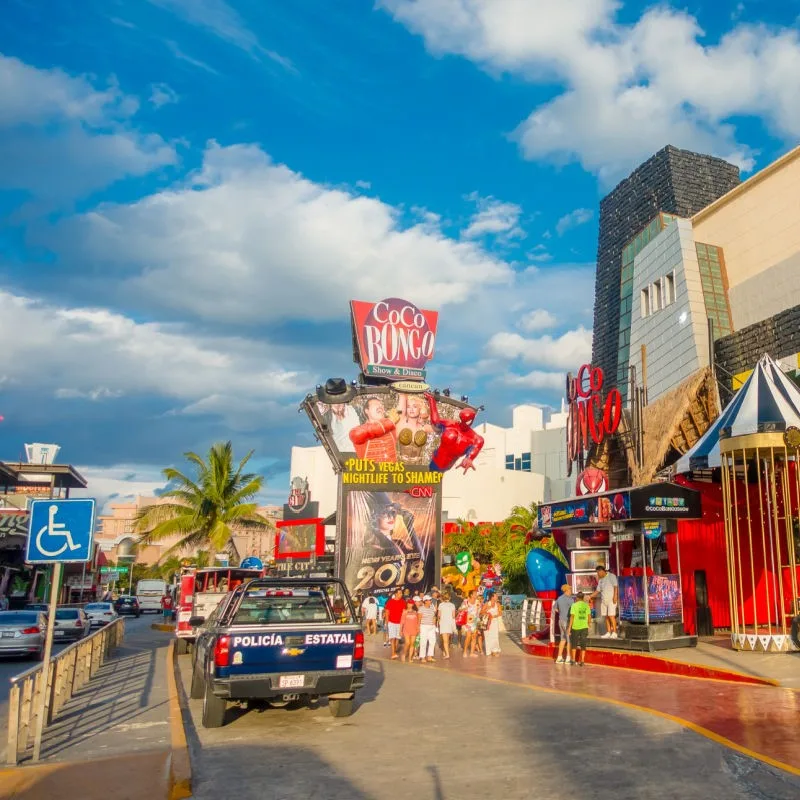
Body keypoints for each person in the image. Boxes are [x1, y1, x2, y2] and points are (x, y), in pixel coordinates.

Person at [591, 565, 619, 639]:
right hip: (604, 601)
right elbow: (597, 591)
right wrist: (590, 596)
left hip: (611, 600)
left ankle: (615, 632)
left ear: (602, 571)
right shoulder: (600, 580)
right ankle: (608, 632)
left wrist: (615, 596)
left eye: (598, 573)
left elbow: (615, 586)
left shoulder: (612, 576)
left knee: (611, 616)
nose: (598, 574)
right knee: (606, 616)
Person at [568, 592, 591, 667]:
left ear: (577, 598)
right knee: (583, 644)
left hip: (575, 627)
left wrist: (569, 628)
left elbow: (572, 617)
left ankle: (573, 660)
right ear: (583, 598)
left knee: (574, 644)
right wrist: (589, 623)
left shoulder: (574, 605)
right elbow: (589, 616)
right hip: (584, 627)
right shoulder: (586, 605)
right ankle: (582, 661)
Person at [554, 584, 575, 664]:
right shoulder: (571, 600)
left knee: (563, 639)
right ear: (567, 590)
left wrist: (561, 612)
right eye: (570, 589)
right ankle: (568, 658)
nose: (571, 591)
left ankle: (559, 657)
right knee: (569, 639)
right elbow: (573, 612)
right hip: (567, 621)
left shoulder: (559, 598)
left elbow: (555, 609)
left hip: (561, 620)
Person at [384, 588, 406, 660]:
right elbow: (387, 613)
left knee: (397, 638)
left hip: (399, 623)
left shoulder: (403, 602)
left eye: (401, 593)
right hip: (391, 622)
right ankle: (393, 653)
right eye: (399, 593)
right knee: (392, 638)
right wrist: (387, 622)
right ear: (396, 594)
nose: (401, 594)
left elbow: (404, 613)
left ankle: (395, 651)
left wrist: (404, 623)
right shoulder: (390, 602)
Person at [437, 591, 457, 659]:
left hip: (443, 623)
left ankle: (447, 654)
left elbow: (439, 615)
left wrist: (438, 623)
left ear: (443, 597)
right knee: (447, 639)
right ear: (450, 598)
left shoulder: (441, 605)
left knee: (444, 640)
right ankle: (445, 651)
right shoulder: (452, 605)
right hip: (450, 623)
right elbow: (453, 616)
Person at [482, 592, 503, 657]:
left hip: (494, 622)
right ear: (492, 597)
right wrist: (488, 612)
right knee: (488, 636)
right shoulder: (486, 604)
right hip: (487, 622)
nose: (497, 597)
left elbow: (500, 613)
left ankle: (494, 650)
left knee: (495, 636)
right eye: (496, 596)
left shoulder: (498, 604)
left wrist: (494, 616)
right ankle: (489, 651)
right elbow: (481, 612)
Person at [418, 595, 438, 662]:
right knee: (423, 642)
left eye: (430, 600)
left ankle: (430, 656)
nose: (430, 601)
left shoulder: (432, 608)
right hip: (423, 626)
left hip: (431, 627)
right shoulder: (421, 608)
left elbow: (434, 617)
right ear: (425, 601)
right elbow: (419, 619)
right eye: (428, 600)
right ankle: (422, 657)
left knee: (432, 641)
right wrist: (418, 628)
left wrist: (434, 625)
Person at [400, 598, 420, 662]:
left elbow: (417, 621)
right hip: (406, 629)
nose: (410, 605)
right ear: (407, 604)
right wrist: (400, 630)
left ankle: (410, 658)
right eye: (409, 603)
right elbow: (402, 622)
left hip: (414, 629)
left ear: (413, 604)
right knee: (407, 643)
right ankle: (404, 654)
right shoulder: (404, 611)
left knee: (412, 643)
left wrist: (418, 629)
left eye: (411, 603)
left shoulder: (415, 612)